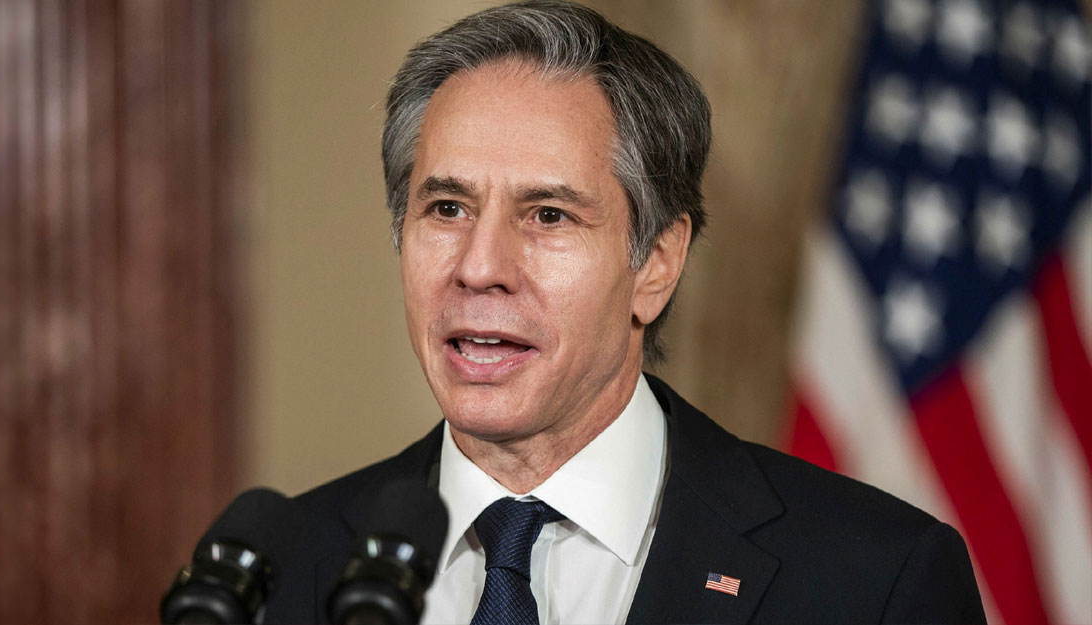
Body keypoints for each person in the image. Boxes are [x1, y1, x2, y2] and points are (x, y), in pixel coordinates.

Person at [264, 2, 986, 623]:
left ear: (657, 264)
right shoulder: (281, 574)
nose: (479, 268)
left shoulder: (875, 579)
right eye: (447, 208)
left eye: (548, 215)